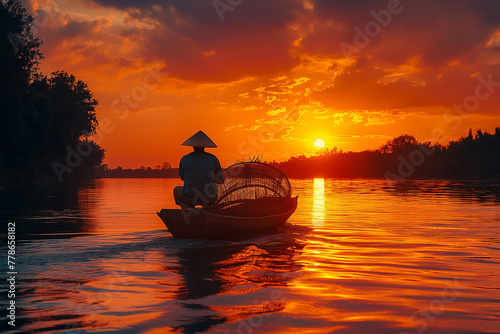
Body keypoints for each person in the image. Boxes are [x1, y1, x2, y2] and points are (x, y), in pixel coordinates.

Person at [174, 131, 225, 208]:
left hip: (189, 198)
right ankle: (208, 208)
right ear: (205, 146)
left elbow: (184, 178)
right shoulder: (213, 159)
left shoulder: (185, 159)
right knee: (215, 188)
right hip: (208, 198)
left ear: (193, 146)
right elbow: (221, 181)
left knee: (177, 190)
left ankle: (187, 209)